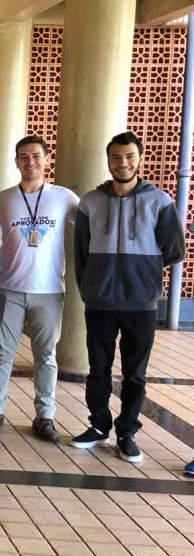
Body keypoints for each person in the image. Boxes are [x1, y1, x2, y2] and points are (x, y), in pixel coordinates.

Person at [72, 131, 184, 463]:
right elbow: (80, 252)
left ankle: (127, 431)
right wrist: (92, 286)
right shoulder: (90, 202)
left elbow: (174, 250)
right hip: (100, 302)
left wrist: (140, 275)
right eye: (116, 157)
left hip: (141, 304)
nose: (123, 163)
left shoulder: (160, 201)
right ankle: (98, 425)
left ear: (139, 159)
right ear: (108, 160)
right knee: (98, 369)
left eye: (129, 157)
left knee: (135, 373)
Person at [0, 136, 79, 443]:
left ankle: (45, 416)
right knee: (1, 354)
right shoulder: (2, 199)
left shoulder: (64, 198)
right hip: (9, 288)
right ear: (16, 161)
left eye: (36, 155)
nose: (30, 161)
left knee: (45, 356)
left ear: (46, 159)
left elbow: (91, 228)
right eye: (23, 156)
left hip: (49, 291)